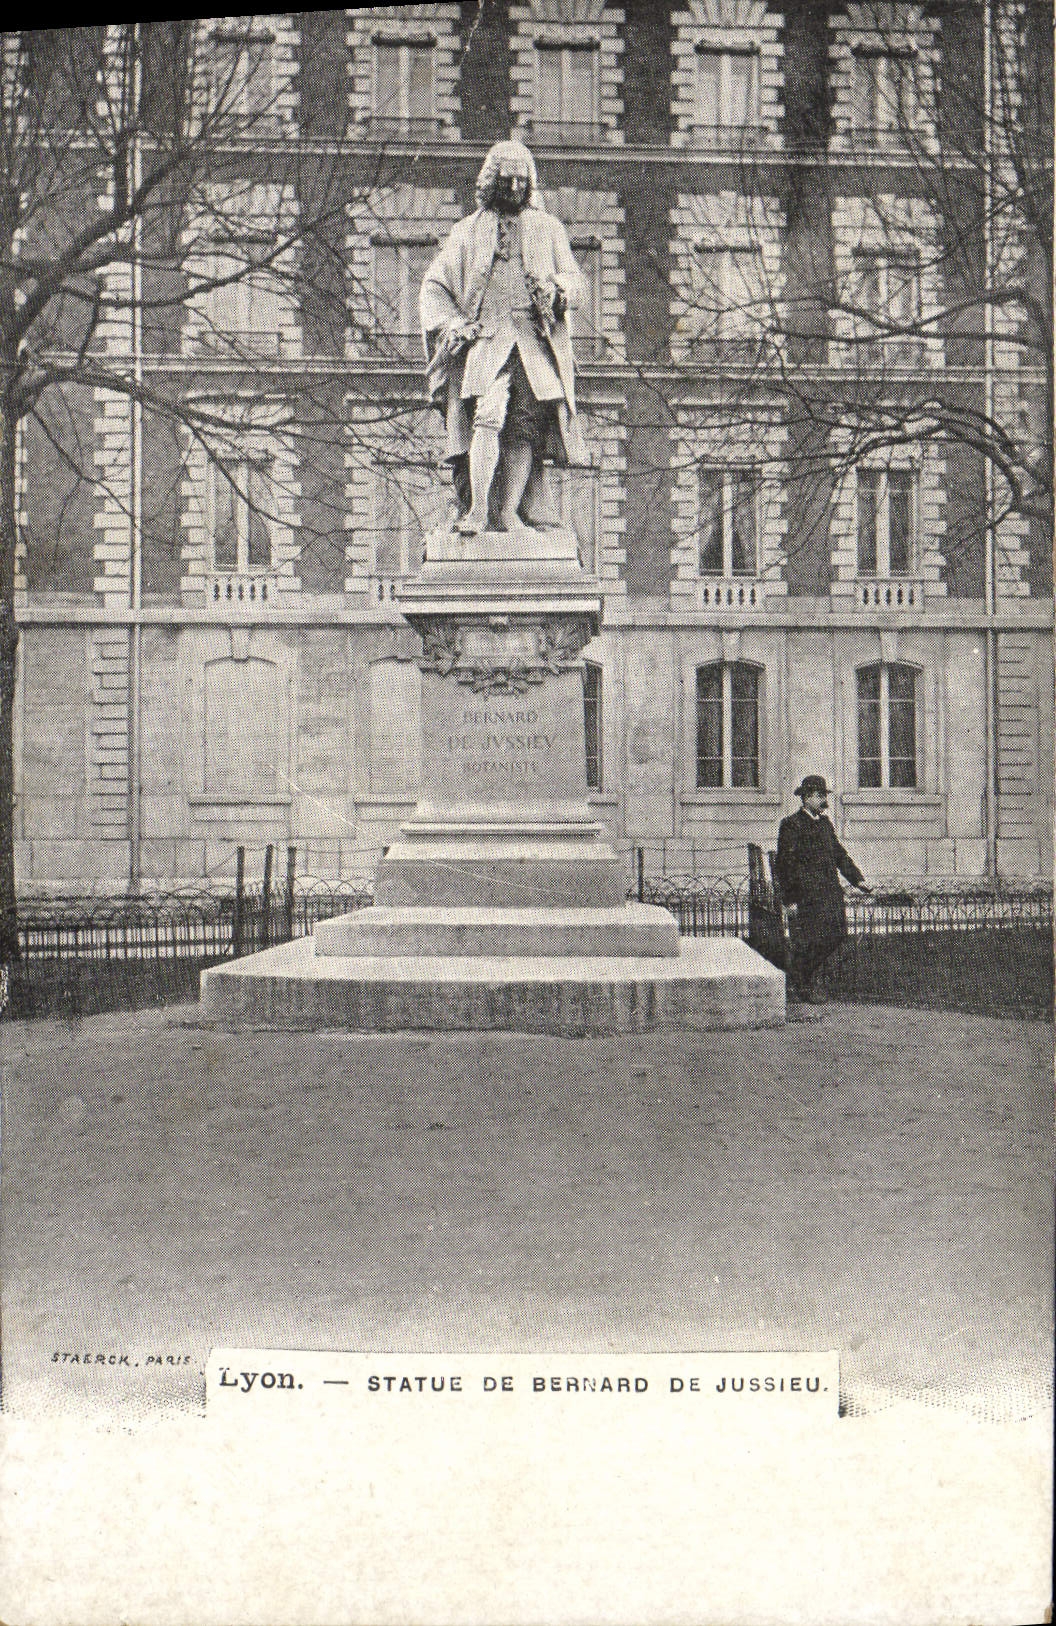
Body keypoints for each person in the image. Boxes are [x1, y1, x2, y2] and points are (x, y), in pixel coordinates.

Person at [419, 138, 588, 536]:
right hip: (488, 339)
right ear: (491, 181)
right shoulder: (466, 231)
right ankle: (478, 511)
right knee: (487, 416)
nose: (514, 188)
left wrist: (557, 291)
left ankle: (510, 512)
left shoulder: (548, 228)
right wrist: (453, 324)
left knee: (524, 427)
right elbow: (433, 286)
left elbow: (576, 281)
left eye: (521, 180)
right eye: (507, 179)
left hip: (533, 342)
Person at [775, 775, 872, 1004]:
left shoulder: (825, 824)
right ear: (806, 798)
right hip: (807, 896)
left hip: (830, 892)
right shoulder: (791, 825)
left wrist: (857, 880)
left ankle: (801, 973)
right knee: (812, 940)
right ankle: (804, 982)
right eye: (819, 796)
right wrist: (790, 900)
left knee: (837, 934)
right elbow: (785, 865)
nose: (823, 801)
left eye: (824, 796)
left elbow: (839, 854)